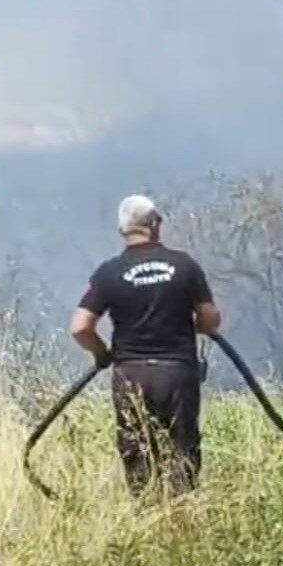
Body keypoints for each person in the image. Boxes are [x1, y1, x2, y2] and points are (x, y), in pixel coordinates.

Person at [70, 195, 221, 496]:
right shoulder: (184, 265)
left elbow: (80, 328)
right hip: (176, 374)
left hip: (130, 375)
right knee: (182, 451)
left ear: (123, 231)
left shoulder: (108, 272)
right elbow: (209, 319)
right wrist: (196, 326)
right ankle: (182, 522)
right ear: (155, 224)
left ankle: (145, 518)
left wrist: (102, 355)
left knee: (137, 453)